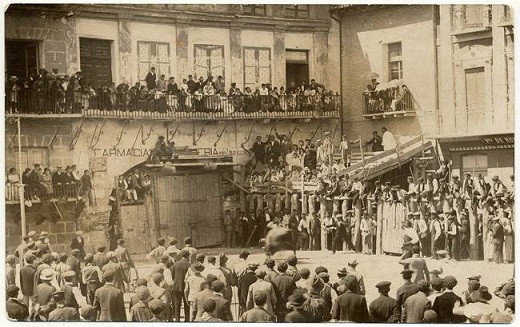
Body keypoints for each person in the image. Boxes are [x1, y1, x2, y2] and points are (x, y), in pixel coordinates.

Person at [172, 249, 191, 322]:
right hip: (185, 287)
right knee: (187, 304)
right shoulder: (189, 265)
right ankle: (187, 320)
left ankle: (177, 320)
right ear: (188, 256)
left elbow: (172, 275)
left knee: (177, 304)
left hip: (176, 286)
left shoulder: (175, 264)